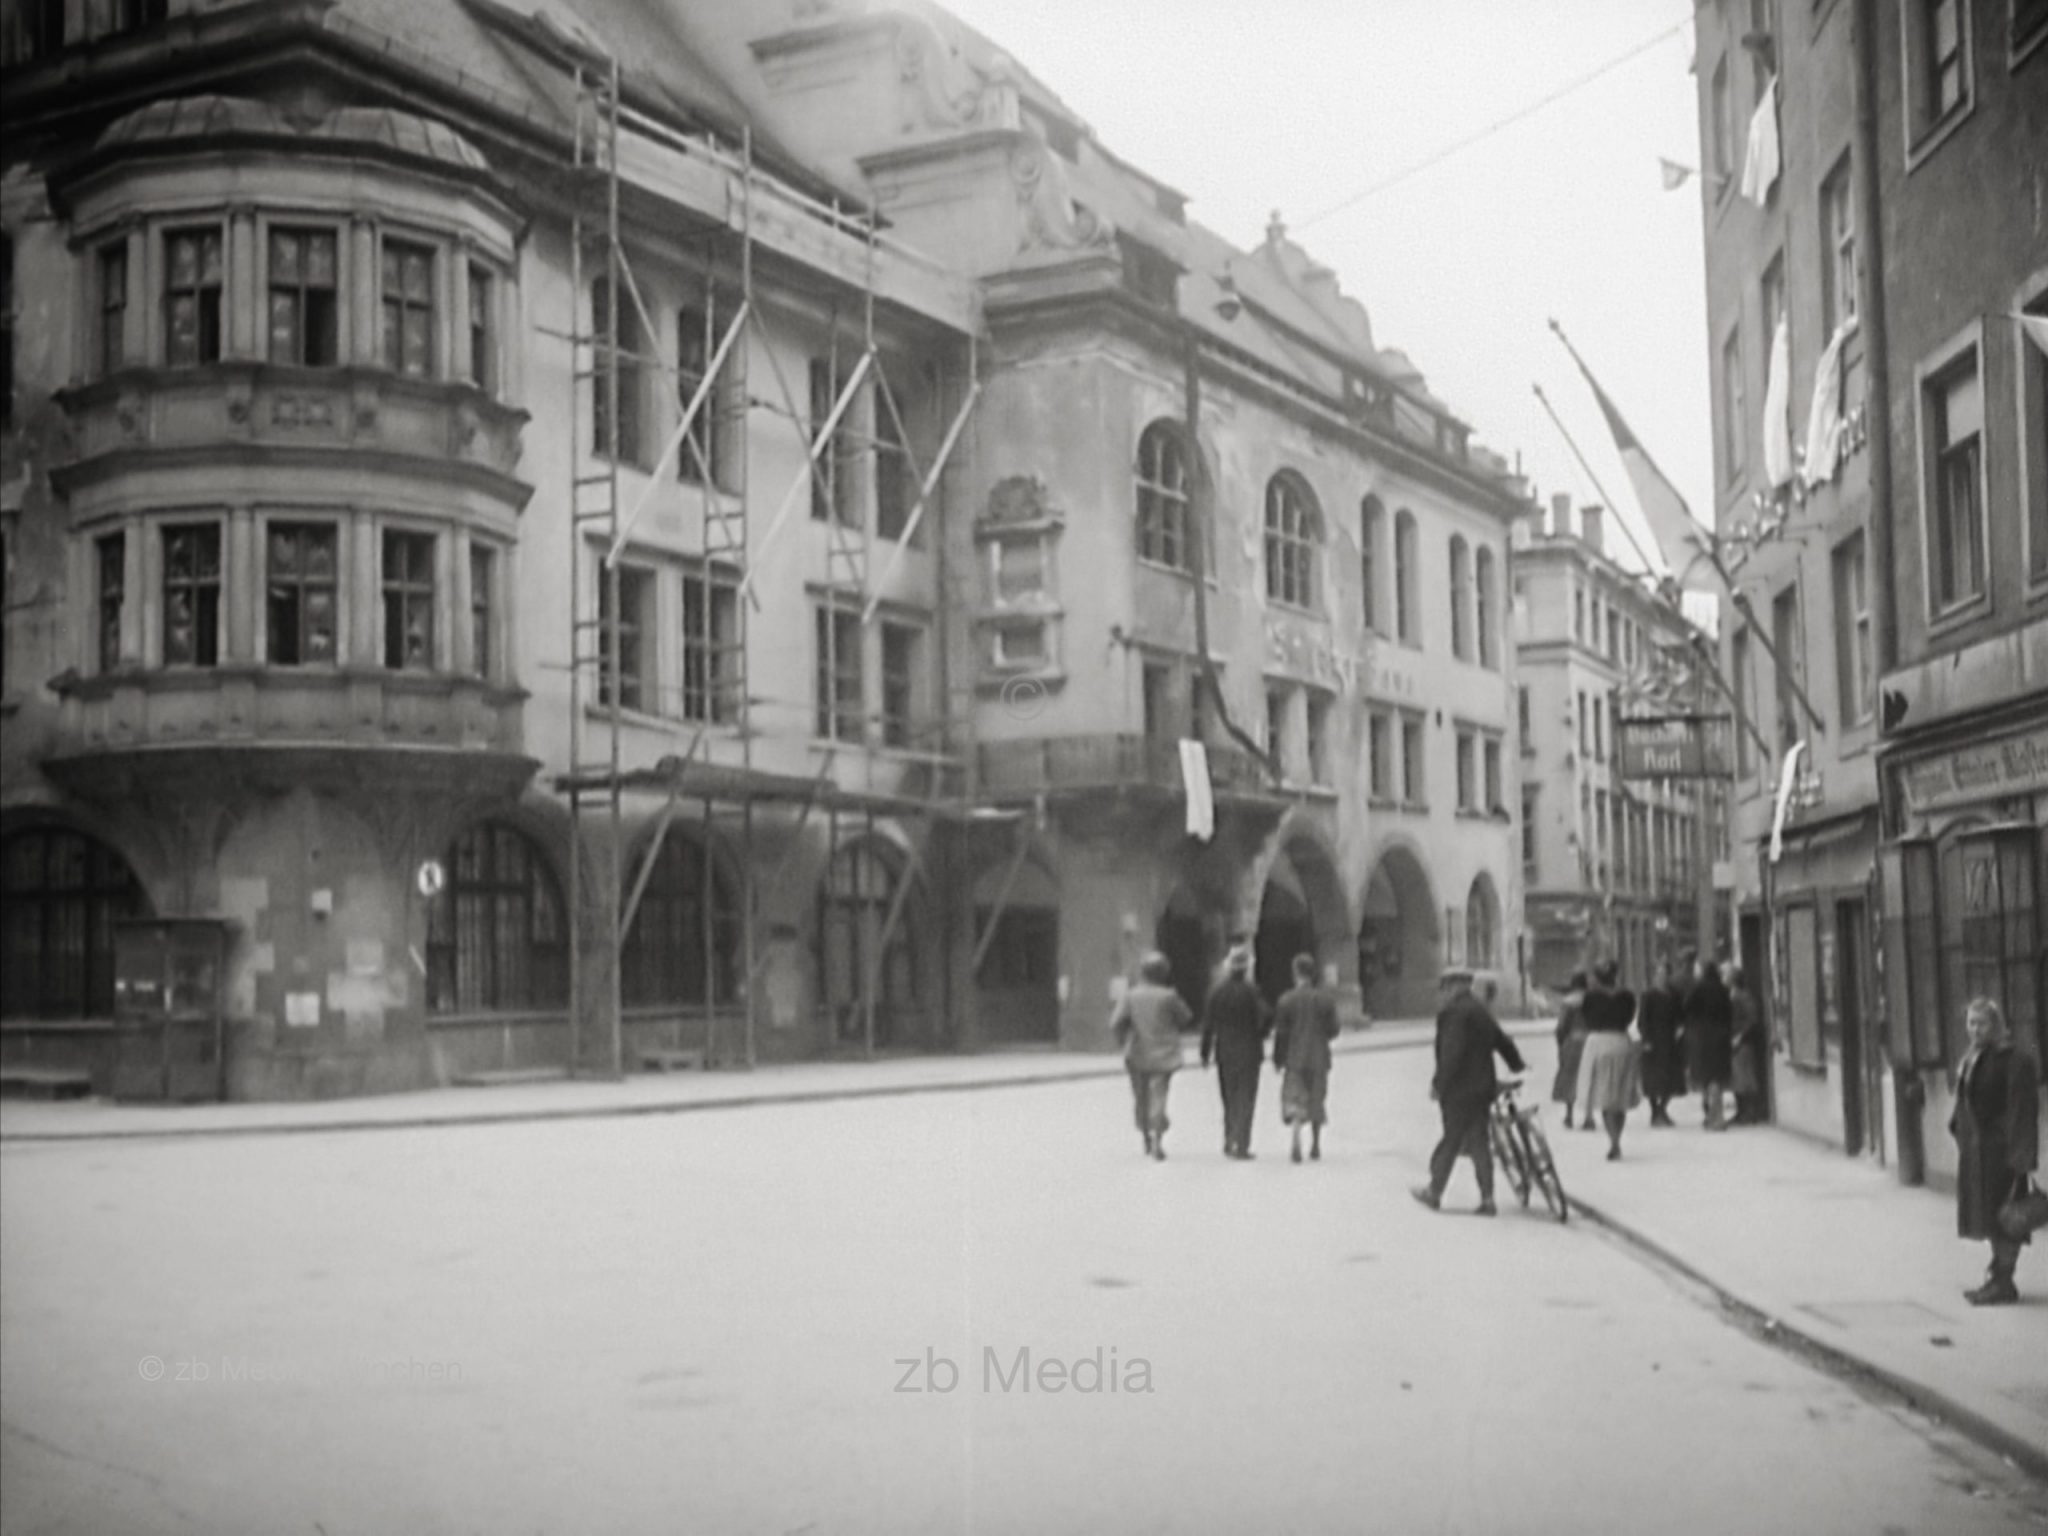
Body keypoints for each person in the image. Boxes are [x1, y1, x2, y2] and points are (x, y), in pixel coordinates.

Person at [1950, 997, 2041, 1306]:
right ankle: (1997, 1276)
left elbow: (2022, 1109)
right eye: (1971, 1023)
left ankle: (2004, 1280)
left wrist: (2021, 1159)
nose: (1975, 1030)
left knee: (2006, 1218)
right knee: (1989, 1217)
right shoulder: (1974, 1056)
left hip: (2003, 1153)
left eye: (1982, 1023)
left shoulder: (2013, 1059)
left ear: (1996, 1024)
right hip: (1978, 1152)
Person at [1413, 968, 1526, 1216]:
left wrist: (1439, 1084)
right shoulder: (1479, 1010)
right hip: (1482, 1088)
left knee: (1452, 1139)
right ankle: (1487, 1198)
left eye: (1444, 988)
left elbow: (1451, 1053)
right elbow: (1501, 1040)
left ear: (1452, 987)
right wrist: (1516, 1063)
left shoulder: (1453, 1013)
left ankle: (1434, 1192)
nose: (1443, 994)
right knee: (1479, 1143)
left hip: (1459, 1090)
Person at [1112, 951, 1191, 1161]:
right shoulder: (1169, 996)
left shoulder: (1131, 995)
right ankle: (1157, 1135)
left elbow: (1117, 1022)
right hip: (1164, 1053)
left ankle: (1146, 1133)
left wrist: (1123, 1041)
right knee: (1159, 1095)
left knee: (1141, 1097)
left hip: (1137, 1052)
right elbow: (1185, 1017)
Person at [1201, 944, 1270, 1159]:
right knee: (1246, 1098)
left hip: (1224, 1050)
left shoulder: (1216, 992)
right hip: (1249, 1050)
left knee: (1228, 1096)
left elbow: (1208, 1025)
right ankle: (1242, 1143)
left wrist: (1205, 1052)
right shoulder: (1252, 991)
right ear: (1246, 968)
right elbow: (1266, 1016)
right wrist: (1262, 1033)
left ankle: (1229, 1137)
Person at [1272, 953, 1341, 1163]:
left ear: (1295, 973)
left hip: (1295, 1058)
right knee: (1317, 1099)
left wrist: (1278, 1058)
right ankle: (1315, 1144)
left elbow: (1281, 1033)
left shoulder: (1286, 1000)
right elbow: (1334, 1029)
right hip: (1319, 1057)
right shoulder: (1325, 999)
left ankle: (1295, 1132)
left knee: (1295, 1098)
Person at [1576, 958, 1641, 1161]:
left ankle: (1613, 1141)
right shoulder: (1627, 996)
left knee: (1604, 1095)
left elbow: (1586, 1019)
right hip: (1622, 1042)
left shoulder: (1591, 997)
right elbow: (1630, 1018)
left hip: (1599, 1044)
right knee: (1620, 1096)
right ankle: (1617, 1138)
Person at [1683, 953, 1733, 1131]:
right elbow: (1729, 1013)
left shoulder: (1698, 988)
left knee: (1706, 1076)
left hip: (1701, 1036)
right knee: (1717, 1077)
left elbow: (1686, 1008)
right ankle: (1716, 1115)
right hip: (1720, 1036)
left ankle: (1711, 1114)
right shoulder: (1723, 990)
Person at [1638, 959, 1686, 1127]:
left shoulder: (1674, 994)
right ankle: (1654, 1112)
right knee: (1652, 1078)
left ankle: (1662, 1109)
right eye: (1659, 974)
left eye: (1665, 974)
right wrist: (1646, 1040)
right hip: (1653, 1040)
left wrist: (1680, 1029)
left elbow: (1681, 1015)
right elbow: (1643, 1020)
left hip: (1670, 1040)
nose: (1662, 977)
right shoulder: (1648, 995)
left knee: (1671, 1078)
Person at [1726, 962, 1766, 1126]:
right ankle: (1741, 1111)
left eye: (1727, 975)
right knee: (1737, 1077)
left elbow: (1751, 1019)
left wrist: (1740, 1036)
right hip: (1734, 1039)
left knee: (1745, 1077)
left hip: (1743, 1041)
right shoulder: (1732, 994)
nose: (1724, 978)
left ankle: (1751, 1111)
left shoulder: (1743, 996)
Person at [1551, 971, 1590, 1130]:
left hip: (1573, 1041)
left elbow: (1562, 1027)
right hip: (1590, 1041)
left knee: (1569, 1078)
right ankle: (1589, 1117)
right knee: (1589, 1078)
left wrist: (1560, 1044)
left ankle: (1569, 1115)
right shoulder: (1593, 999)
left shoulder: (1568, 1002)